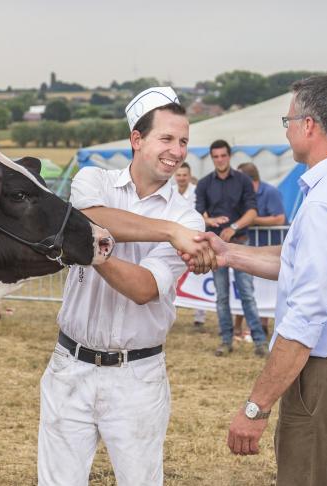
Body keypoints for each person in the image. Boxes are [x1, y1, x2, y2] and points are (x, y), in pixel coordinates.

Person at [182, 75, 327, 486]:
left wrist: (255, 408)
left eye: (288, 120)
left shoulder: (326, 203)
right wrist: (229, 254)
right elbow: (300, 262)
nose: (288, 128)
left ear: (309, 125)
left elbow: (306, 318)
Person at [37, 87, 208, 486]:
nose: (177, 151)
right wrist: (168, 232)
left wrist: (90, 244)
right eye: (166, 138)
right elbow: (91, 217)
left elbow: (145, 288)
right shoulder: (93, 179)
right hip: (70, 367)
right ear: (136, 139)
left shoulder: (189, 219)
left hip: (137, 376)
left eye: (183, 141)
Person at [195, 139, 267, 357]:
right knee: (222, 296)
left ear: (229, 156)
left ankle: (259, 341)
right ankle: (225, 340)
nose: (219, 160)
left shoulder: (243, 181)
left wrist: (233, 227)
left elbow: (252, 212)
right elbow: (198, 213)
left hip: (240, 244)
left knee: (247, 293)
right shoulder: (204, 184)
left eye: (223, 155)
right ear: (212, 158)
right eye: (215, 156)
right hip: (216, 248)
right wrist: (211, 221)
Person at [233, 162, 286, 340]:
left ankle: (262, 327)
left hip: (267, 249)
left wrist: (253, 220)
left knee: (263, 290)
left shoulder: (270, 192)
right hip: (247, 246)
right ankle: (238, 327)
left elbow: (279, 219)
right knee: (244, 288)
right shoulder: (241, 193)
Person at [174, 162, 207, 329]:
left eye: (184, 175)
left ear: (189, 175)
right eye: (178, 175)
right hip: (174, 239)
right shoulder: (170, 191)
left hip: (194, 239)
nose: (181, 178)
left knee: (196, 275)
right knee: (173, 276)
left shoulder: (196, 191)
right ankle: (171, 313)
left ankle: (199, 317)